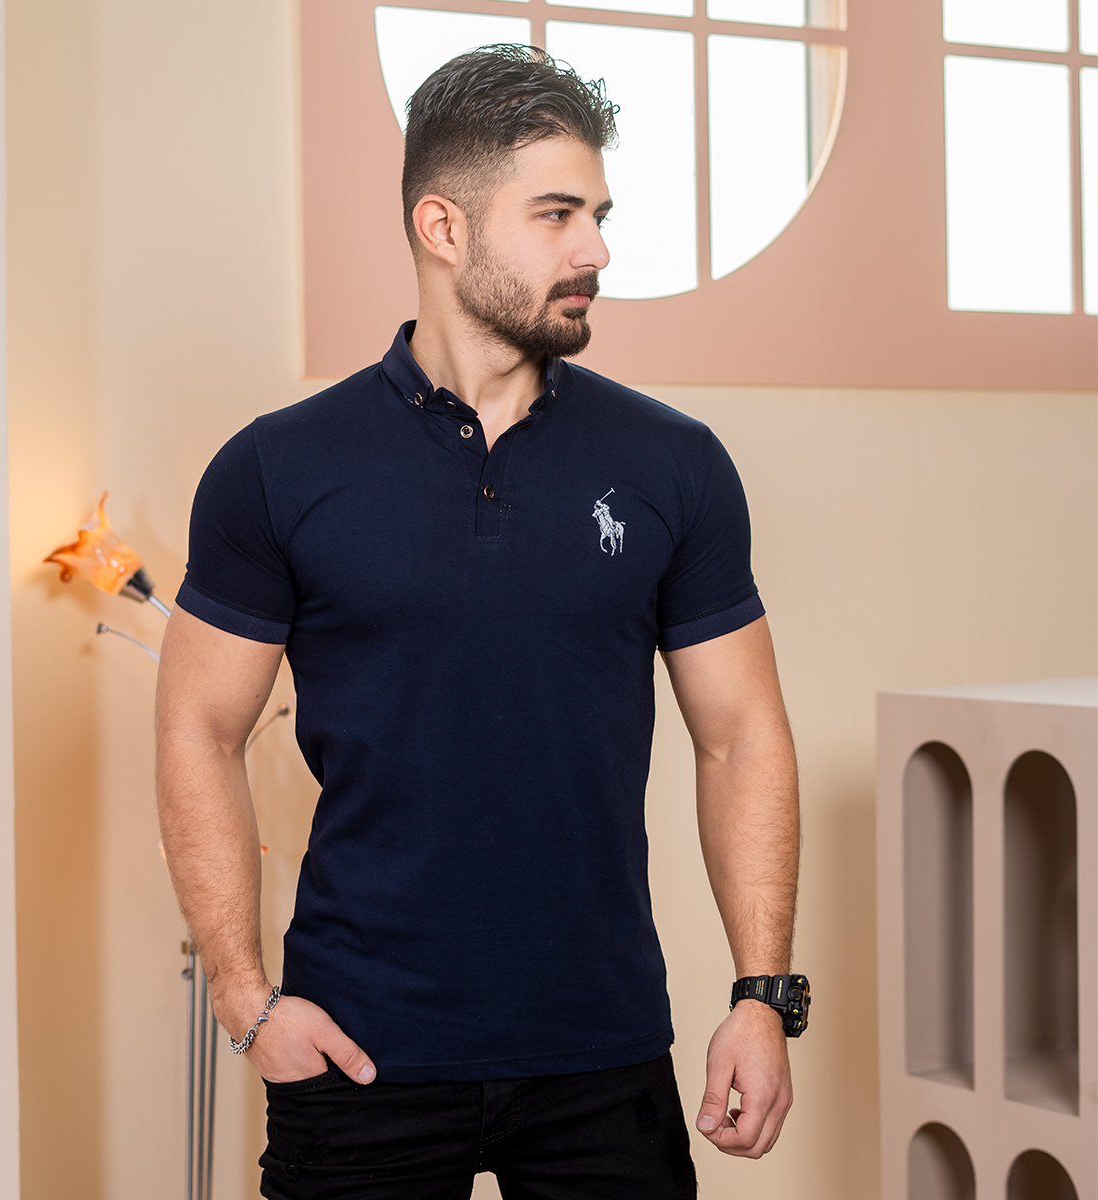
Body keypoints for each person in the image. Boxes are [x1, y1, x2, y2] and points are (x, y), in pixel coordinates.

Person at [156, 44, 803, 1200]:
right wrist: (246, 1000)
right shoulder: (276, 469)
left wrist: (763, 997)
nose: (596, 250)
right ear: (442, 227)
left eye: (599, 215)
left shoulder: (675, 464)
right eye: (557, 215)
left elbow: (740, 737)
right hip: (356, 1054)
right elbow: (197, 730)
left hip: (604, 1052)